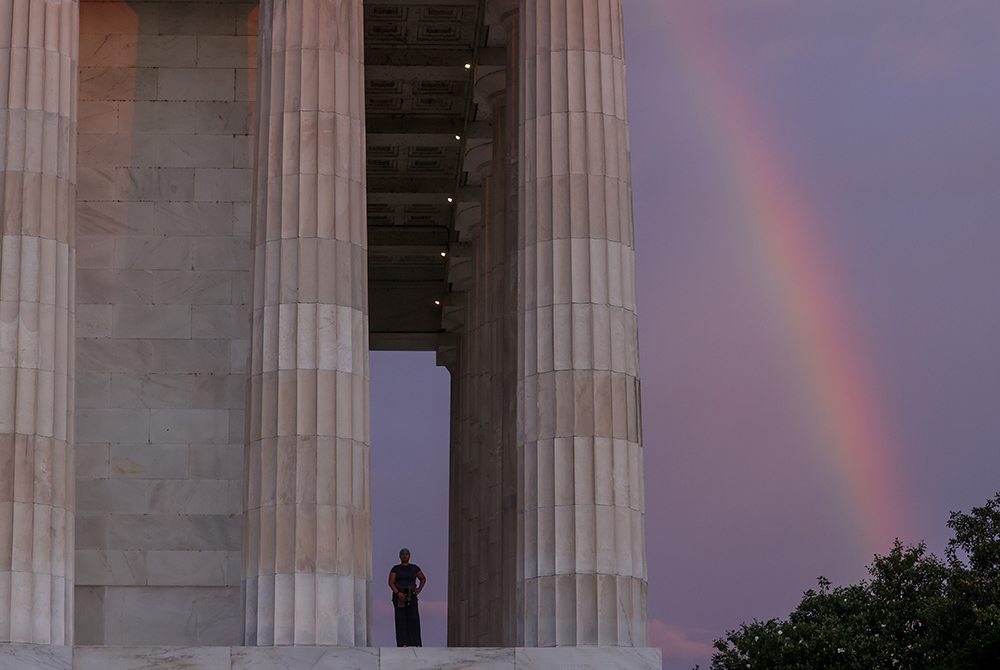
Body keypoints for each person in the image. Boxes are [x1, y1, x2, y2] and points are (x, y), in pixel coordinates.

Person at [388, 547, 425, 647]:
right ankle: (403, 643)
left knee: (413, 618)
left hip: (411, 595)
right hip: (399, 595)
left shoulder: (414, 568)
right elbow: (391, 582)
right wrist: (397, 593)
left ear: (409, 556)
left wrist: (419, 589)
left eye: (406, 554)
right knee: (401, 619)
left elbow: (422, 578)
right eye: (403, 554)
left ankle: (416, 643)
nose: (405, 556)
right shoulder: (395, 568)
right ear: (400, 556)